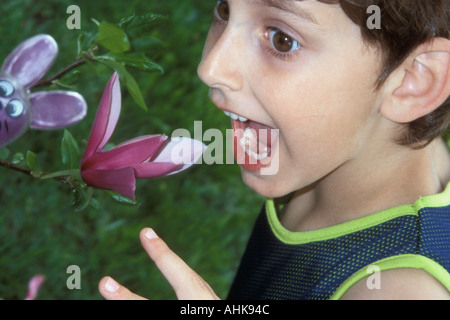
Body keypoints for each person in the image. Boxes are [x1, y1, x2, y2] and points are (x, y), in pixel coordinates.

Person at [98, 0, 450, 300]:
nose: (210, 68)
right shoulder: (341, 152)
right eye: (224, 9)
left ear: (413, 83)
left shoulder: (399, 288)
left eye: (282, 40)